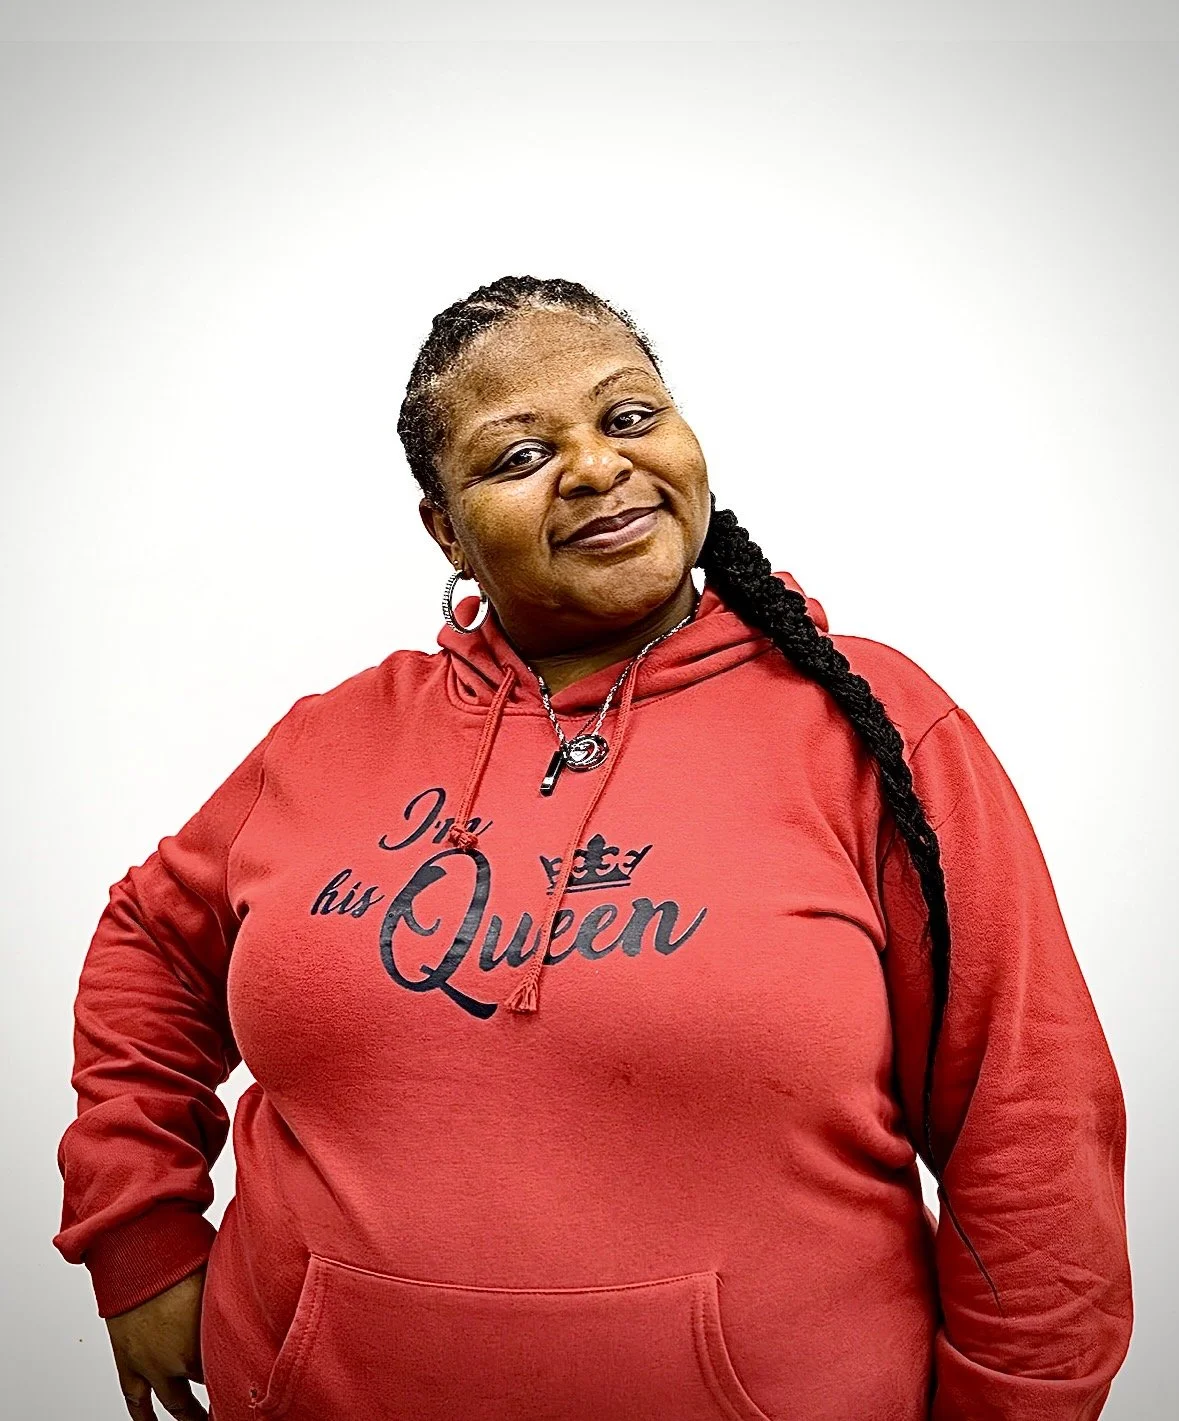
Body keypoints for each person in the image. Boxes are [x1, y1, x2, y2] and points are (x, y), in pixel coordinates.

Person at [54, 274, 1133, 1421]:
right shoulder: (331, 737)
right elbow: (152, 944)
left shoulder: (874, 727)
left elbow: (1028, 1123)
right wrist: (139, 1235)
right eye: (519, 455)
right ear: (445, 529)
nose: (596, 466)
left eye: (628, 418)